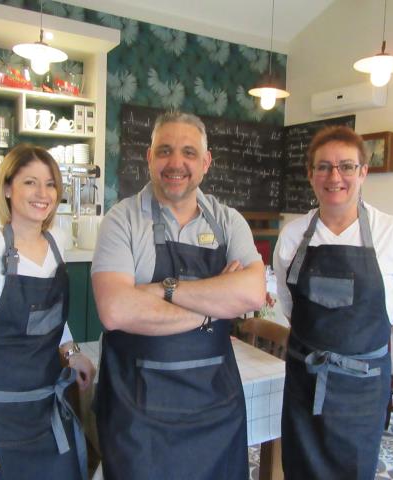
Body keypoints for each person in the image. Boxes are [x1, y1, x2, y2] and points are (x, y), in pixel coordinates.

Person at [91, 111, 266, 479]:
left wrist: (163, 291)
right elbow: (116, 311)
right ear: (149, 157)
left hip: (215, 408)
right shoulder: (121, 220)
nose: (176, 163)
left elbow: (252, 293)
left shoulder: (228, 220)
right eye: (165, 150)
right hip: (138, 414)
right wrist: (214, 309)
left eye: (189, 152)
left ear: (205, 163)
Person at [273, 126, 393, 479]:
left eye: (346, 166)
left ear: (363, 173)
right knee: (299, 467)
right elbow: (288, 303)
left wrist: (355, 344)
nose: (335, 176)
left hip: (363, 387)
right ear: (310, 175)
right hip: (304, 379)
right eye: (323, 167)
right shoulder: (294, 234)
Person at [0, 144, 95, 480]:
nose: (42, 193)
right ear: (8, 188)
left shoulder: (58, 244)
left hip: (47, 414)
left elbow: (49, 314)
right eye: (30, 182)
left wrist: (72, 353)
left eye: (50, 184)